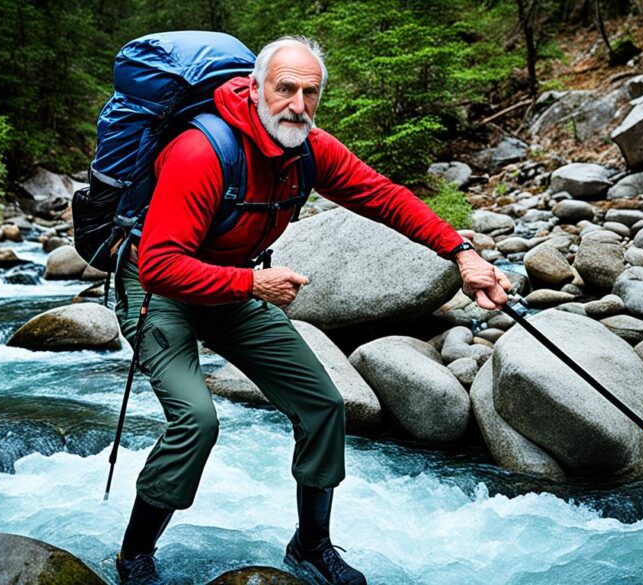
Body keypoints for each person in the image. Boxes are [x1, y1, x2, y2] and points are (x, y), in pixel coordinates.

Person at [113, 35, 512, 585]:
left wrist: (461, 253)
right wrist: (254, 282)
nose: (298, 105)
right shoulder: (200, 152)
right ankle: (134, 555)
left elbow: (385, 196)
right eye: (285, 89)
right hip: (162, 291)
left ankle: (310, 545)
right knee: (197, 422)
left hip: (236, 287)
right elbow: (159, 265)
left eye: (310, 92)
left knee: (324, 405)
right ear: (254, 89)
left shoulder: (308, 148)